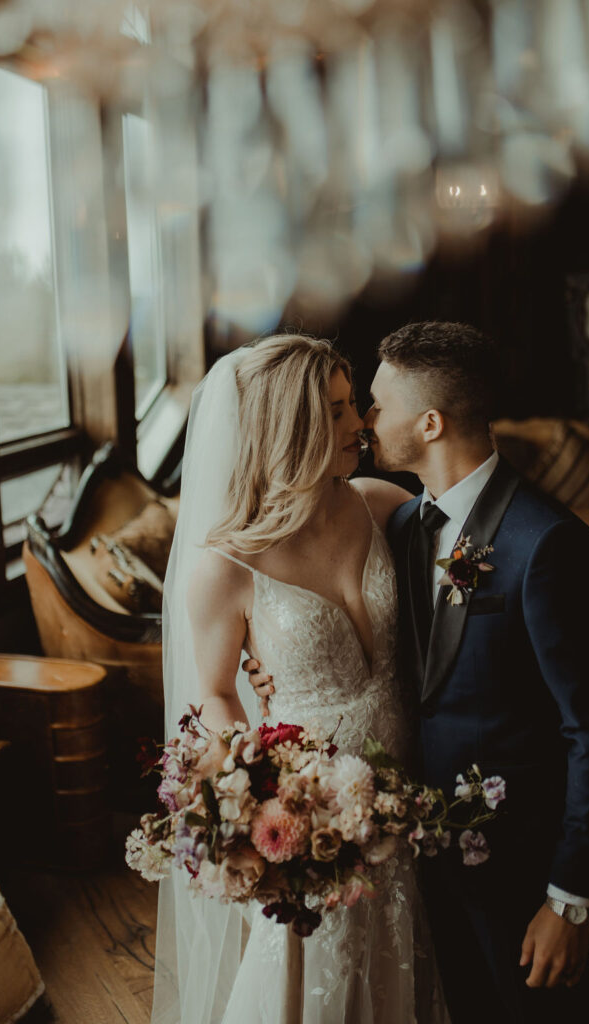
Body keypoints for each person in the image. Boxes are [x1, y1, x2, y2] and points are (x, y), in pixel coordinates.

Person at [249, 322, 589, 1024]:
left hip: (518, 870)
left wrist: (570, 902)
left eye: (374, 404)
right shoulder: (399, 527)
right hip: (415, 863)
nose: (365, 422)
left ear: (428, 423)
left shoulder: (547, 546)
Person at [154, 333, 445, 1024]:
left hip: (414, 787)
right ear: (294, 425)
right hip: (319, 815)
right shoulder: (227, 566)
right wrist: (261, 793)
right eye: (340, 411)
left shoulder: (379, 505)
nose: (360, 425)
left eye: (355, 406)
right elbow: (218, 689)